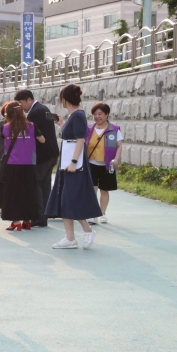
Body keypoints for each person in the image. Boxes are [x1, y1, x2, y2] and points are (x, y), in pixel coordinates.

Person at [45, 84, 102, 249]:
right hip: (68, 162)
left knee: (69, 199)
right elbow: (72, 137)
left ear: (65, 98)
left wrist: (74, 162)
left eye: (60, 96)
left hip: (73, 163)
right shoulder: (73, 115)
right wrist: (61, 125)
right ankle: (70, 237)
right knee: (65, 200)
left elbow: (80, 140)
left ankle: (87, 230)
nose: (59, 99)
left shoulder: (77, 115)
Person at [0, 101, 46, 231]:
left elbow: (3, 140)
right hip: (29, 163)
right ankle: (27, 220)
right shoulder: (31, 126)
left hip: (12, 163)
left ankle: (16, 221)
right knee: (28, 192)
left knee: (13, 193)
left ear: (8, 114)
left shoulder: (6, 127)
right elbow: (43, 140)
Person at [15, 89, 59, 228]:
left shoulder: (35, 113)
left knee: (36, 184)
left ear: (29, 99)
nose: (21, 107)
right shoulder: (44, 108)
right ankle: (45, 214)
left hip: (42, 154)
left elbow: (31, 133)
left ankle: (39, 217)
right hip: (51, 153)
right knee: (45, 184)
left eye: (21, 103)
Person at [86, 102, 123, 224]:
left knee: (104, 190)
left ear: (107, 114)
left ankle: (102, 213)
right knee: (92, 189)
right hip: (91, 163)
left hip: (107, 164)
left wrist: (116, 159)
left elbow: (119, 146)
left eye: (100, 114)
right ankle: (92, 214)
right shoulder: (89, 129)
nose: (97, 117)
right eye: (95, 114)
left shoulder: (114, 130)